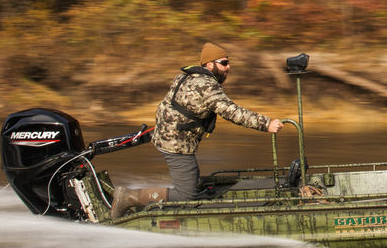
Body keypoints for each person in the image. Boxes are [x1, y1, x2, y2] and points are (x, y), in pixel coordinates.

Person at [110, 42, 283, 218]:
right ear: (209, 65)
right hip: (176, 143)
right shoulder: (206, 85)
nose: (228, 67)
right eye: (224, 63)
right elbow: (231, 112)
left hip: (170, 137)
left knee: (191, 183)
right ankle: (129, 197)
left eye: (228, 63)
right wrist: (266, 124)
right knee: (186, 196)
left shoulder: (186, 77)